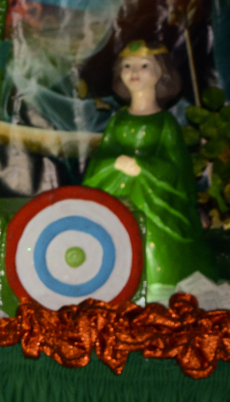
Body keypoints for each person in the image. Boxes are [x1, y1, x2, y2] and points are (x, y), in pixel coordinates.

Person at [82, 41, 214, 291]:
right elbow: (103, 156)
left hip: (154, 195)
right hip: (116, 186)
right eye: (128, 66)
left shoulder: (165, 123)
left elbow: (177, 165)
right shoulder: (117, 119)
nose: (134, 72)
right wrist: (114, 162)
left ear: (161, 73)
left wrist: (143, 166)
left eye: (144, 66)